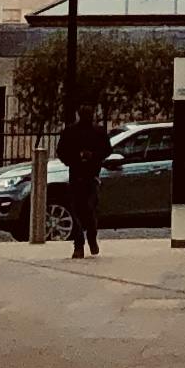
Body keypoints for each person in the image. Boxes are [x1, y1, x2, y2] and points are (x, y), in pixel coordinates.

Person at [60, 102, 111, 259]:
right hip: (78, 175)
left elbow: (107, 150)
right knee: (79, 211)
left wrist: (93, 156)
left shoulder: (97, 132)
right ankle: (80, 244)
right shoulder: (71, 132)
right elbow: (62, 151)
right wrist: (76, 158)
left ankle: (89, 238)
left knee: (88, 210)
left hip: (90, 176)